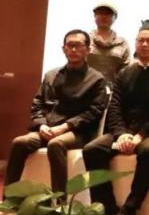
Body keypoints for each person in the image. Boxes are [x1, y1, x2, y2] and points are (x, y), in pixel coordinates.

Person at [83, 25, 149, 215]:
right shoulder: (124, 73)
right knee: (92, 149)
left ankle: (130, 207)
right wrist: (122, 134)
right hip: (124, 132)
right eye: (141, 40)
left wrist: (139, 136)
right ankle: (106, 206)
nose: (144, 44)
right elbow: (115, 107)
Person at [5, 30, 107, 193]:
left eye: (78, 45)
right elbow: (37, 104)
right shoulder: (51, 75)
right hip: (48, 128)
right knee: (19, 142)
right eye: (69, 45)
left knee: (56, 144)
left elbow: (95, 111)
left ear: (88, 49)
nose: (73, 49)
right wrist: (41, 125)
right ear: (63, 49)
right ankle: (9, 198)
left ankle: (60, 200)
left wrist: (65, 127)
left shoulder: (97, 79)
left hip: (77, 131)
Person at [88, 3, 131, 84]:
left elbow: (126, 71)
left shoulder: (122, 43)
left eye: (108, 14)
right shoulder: (86, 40)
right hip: (87, 87)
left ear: (115, 18)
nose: (104, 17)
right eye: (100, 13)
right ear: (94, 16)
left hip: (113, 88)